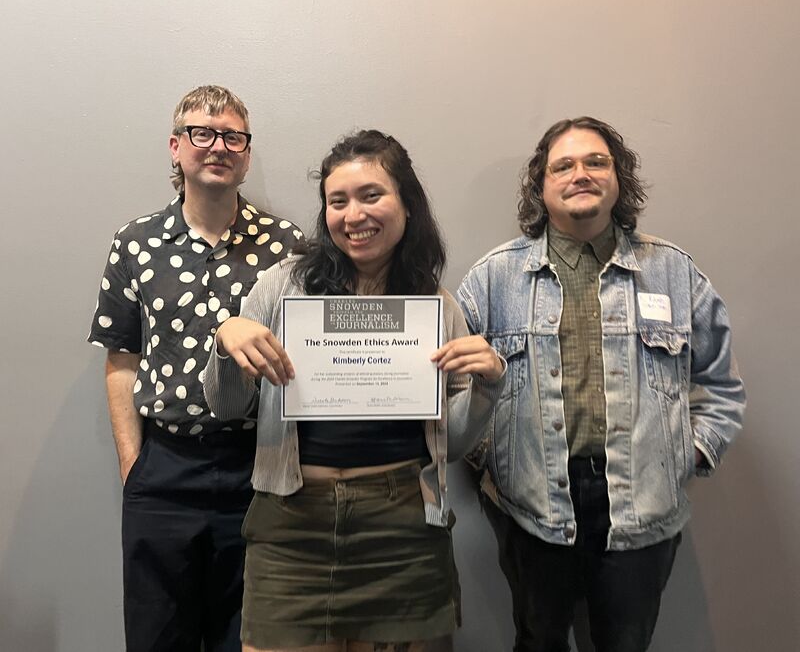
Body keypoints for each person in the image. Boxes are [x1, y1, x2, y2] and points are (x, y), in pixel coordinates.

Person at [203, 129, 506, 652]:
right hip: (290, 522)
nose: (353, 214)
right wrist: (226, 342)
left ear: (406, 204)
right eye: (337, 201)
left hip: (403, 523)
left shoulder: (435, 305)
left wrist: (487, 388)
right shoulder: (281, 285)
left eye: (371, 195)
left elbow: (452, 445)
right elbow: (227, 406)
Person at [457, 116, 746, 652]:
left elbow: (721, 389)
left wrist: (689, 454)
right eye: (562, 165)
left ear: (619, 177)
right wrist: (489, 457)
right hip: (530, 507)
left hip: (644, 507)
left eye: (596, 161)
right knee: (538, 641)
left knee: (626, 644)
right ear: (541, 186)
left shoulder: (674, 273)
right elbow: (454, 393)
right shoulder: (491, 280)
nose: (580, 174)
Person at [87, 85, 303, 652]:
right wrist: (134, 469)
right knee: (159, 638)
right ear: (176, 148)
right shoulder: (134, 243)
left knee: (252, 639)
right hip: (164, 472)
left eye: (233, 136)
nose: (218, 146)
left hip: (257, 472)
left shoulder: (287, 246)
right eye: (202, 134)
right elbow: (121, 360)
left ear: (247, 153)